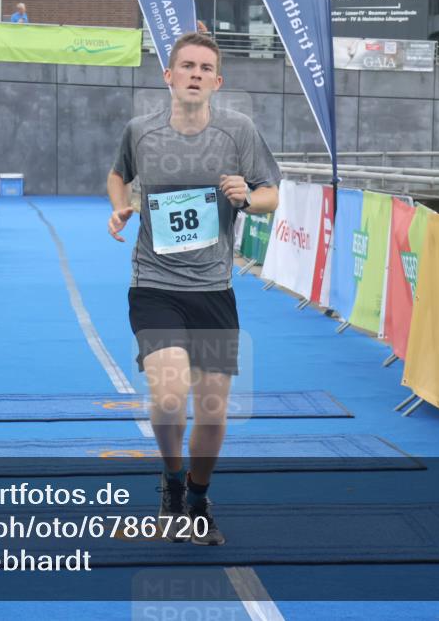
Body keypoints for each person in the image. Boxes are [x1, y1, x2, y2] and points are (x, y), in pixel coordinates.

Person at [106, 32, 280, 546]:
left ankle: (198, 497)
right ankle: (172, 485)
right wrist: (119, 205)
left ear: (217, 81)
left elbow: (271, 193)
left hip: (214, 288)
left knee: (212, 413)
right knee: (168, 394)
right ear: (169, 76)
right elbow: (118, 175)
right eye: (187, 66)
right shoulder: (141, 131)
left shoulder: (238, 131)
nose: (196, 74)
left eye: (206, 67)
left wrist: (247, 197)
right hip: (154, 284)